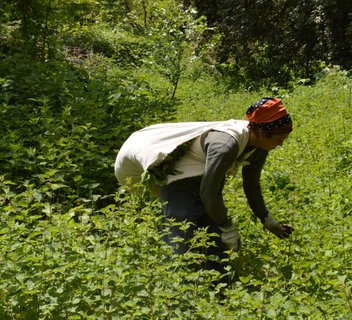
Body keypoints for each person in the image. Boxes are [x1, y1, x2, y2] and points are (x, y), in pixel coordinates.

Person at [114, 97, 294, 276]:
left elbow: (251, 184)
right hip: (172, 172)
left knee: (213, 238)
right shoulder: (225, 145)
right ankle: (174, 284)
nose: (281, 144)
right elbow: (209, 193)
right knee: (181, 232)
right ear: (263, 133)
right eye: (280, 139)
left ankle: (218, 289)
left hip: (201, 172)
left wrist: (266, 219)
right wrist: (227, 228)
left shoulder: (260, 146)